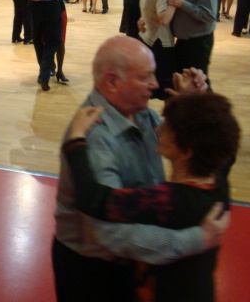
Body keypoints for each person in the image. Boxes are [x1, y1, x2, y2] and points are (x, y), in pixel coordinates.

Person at [53, 36, 229, 302]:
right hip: (96, 272)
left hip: (135, 259)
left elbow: (187, 143)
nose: (155, 85)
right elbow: (106, 232)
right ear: (112, 81)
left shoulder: (142, 112)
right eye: (146, 77)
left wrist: (192, 104)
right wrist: (196, 239)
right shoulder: (95, 137)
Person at [11, 0, 74, 91]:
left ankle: (44, 72)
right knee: (53, 41)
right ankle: (45, 75)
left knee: (38, 41)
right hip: (53, 6)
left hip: (34, 7)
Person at [168, 0, 218, 78]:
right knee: (182, 80)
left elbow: (209, 15)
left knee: (198, 81)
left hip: (198, 43)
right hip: (182, 41)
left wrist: (183, 4)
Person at [137, 0, 177, 98]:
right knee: (166, 88)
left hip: (147, 38)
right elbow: (164, 19)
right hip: (159, 43)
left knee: (146, 84)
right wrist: (174, 4)